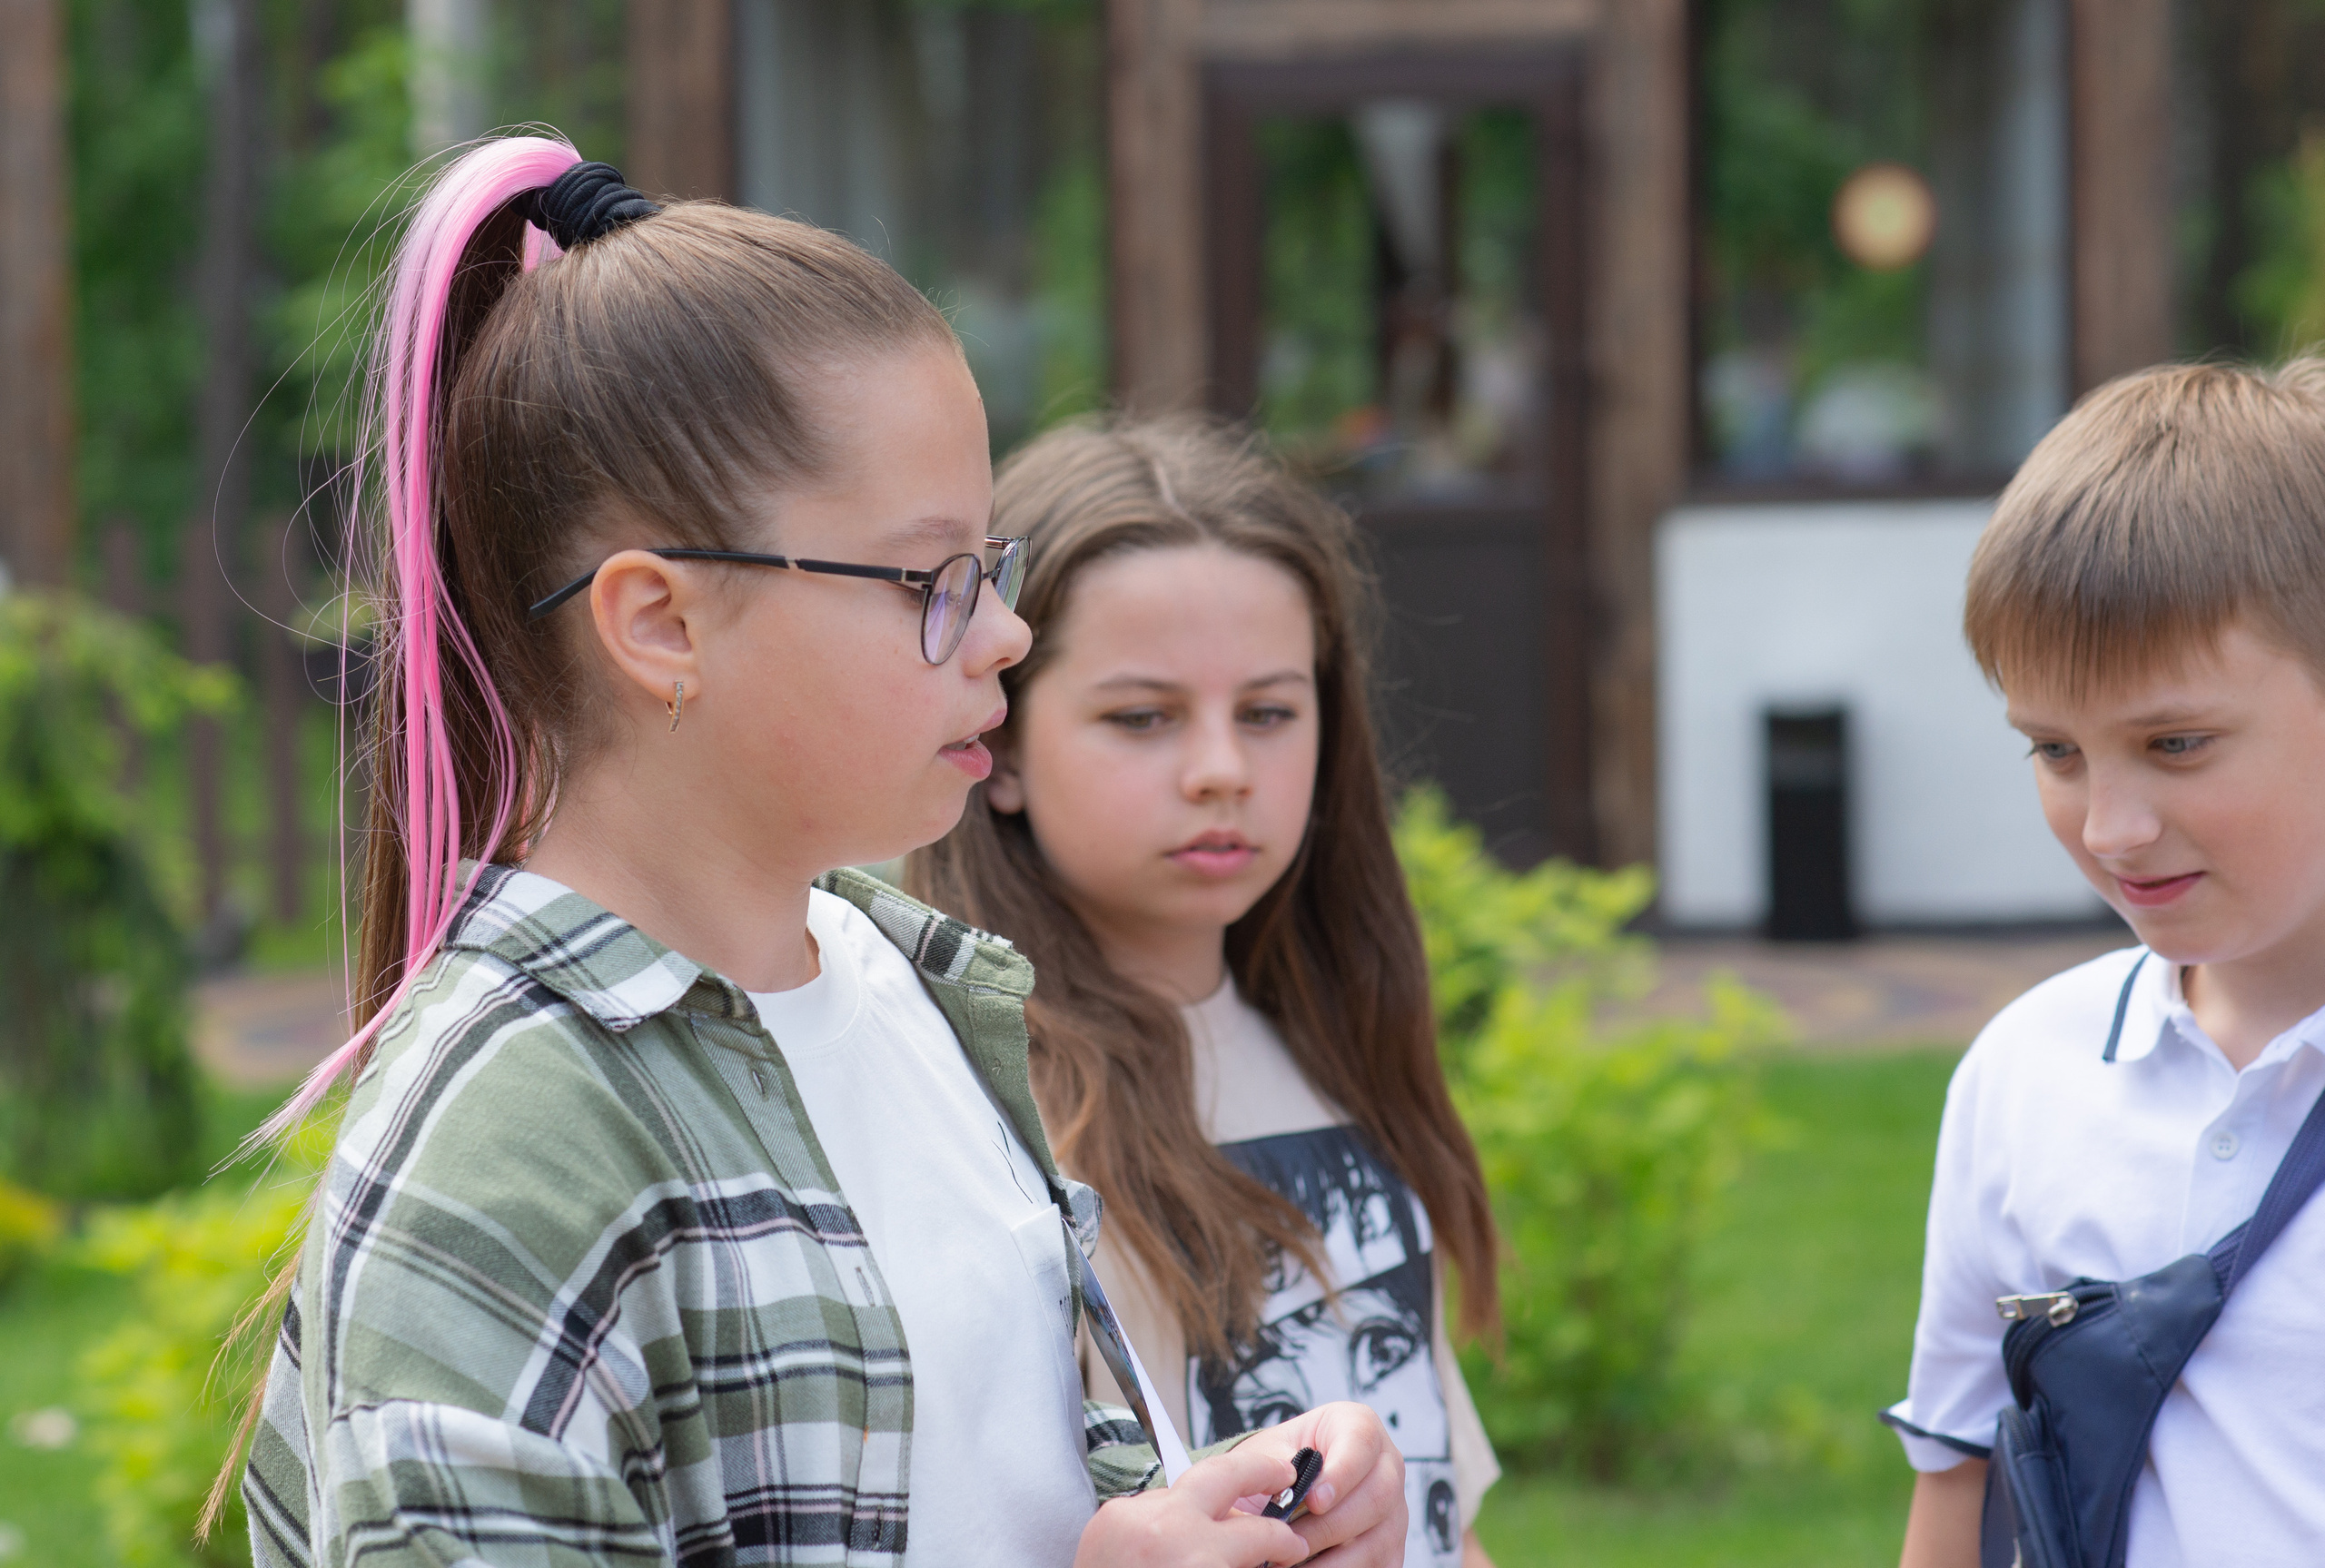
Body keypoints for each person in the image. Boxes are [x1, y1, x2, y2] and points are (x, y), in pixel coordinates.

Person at [229, 136, 1407, 1568]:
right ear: (660, 621)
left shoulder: (905, 982)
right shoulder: (511, 1144)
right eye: (932, 580)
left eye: (996, 565)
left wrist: (1212, 1507)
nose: (1006, 634)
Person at [907, 418, 1503, 1567]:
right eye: (1144, 715)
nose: (1222, 765)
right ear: (1005, 737)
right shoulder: (969, 1114)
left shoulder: (1334, 1046)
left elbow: (1437, 1510)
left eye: (1269, 711)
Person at [1888, 361, 2325, 1567]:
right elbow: (1958, 1484)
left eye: (2175, 742)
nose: (2112, 825)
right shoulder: (2025, 1072)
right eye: (2056, 749)